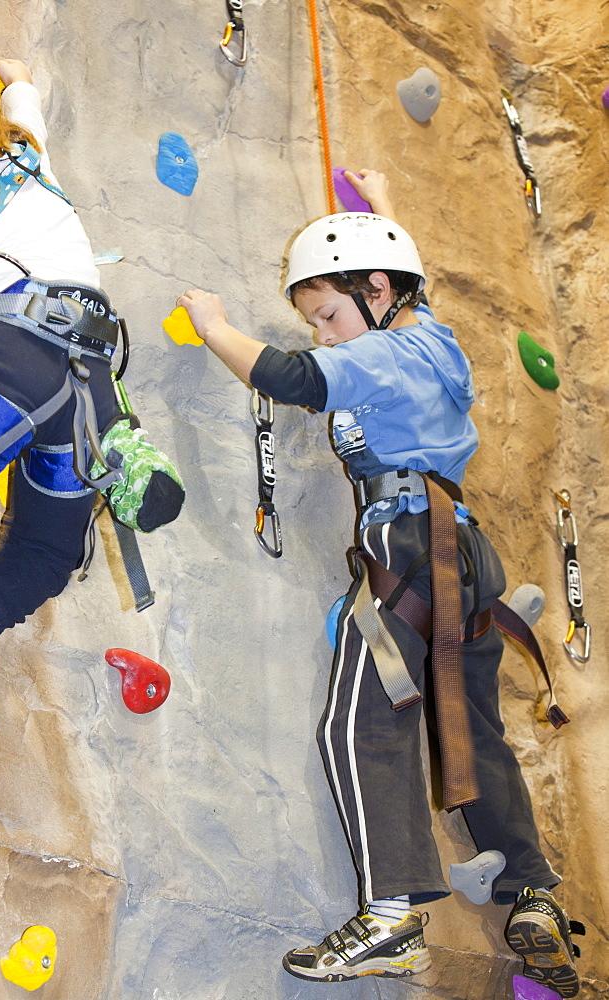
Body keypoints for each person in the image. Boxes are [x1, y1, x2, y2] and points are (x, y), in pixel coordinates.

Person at [177, 169, 583, 998]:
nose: (326, 337)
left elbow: (292, 381)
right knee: (468, 729)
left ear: (377, 293)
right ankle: (532, 891)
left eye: (328, 316)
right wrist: (385, 206)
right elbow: (400, 291)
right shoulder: (422, 333)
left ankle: (392, 915)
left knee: (360, 725)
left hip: (410, 544)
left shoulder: (389, 349)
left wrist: (212, 325)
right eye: (316, 324)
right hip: (460, 553)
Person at [0, 40, 183, 751]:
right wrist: (5, 77)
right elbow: (19, 84)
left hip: (4, 368)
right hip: (87, 384)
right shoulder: (23, 150)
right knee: (49, 551)